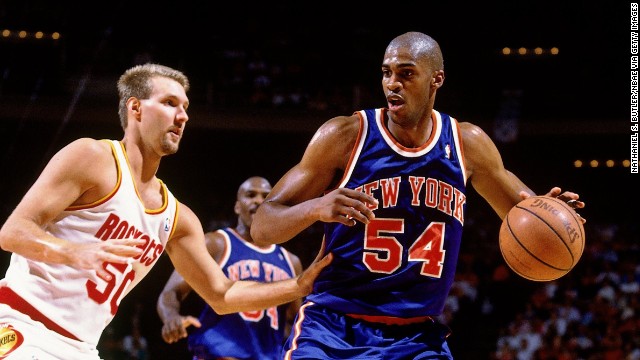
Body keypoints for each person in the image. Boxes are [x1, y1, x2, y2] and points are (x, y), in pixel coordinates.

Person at [250, 31, 586, 359]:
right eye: (386, 73)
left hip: (417, 338)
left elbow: (528, 215)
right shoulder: (345, 136)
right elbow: (263, 226)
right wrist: (315, 207)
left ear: (436, 79)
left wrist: (557, 212)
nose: (392, 83)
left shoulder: (467, 144)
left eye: (406, 73)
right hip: (333, 328)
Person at [0, 63, 331, 360]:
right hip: (22, 324)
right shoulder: (92, 157)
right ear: (136, 109)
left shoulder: (179, 218)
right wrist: (74, 252)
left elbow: (223, 293)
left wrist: (299, 286)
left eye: (185, 107)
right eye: (170, 103)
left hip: (82, 347)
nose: (183, 116)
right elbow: (13, 231)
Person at [157, 176, 304, 360]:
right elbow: (170, 293)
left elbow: (293, 323)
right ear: (237, 207)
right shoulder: (217, 243)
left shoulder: (291, 261)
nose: (258, 201)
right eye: (251, 195)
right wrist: (171, 317)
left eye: (266, 197)